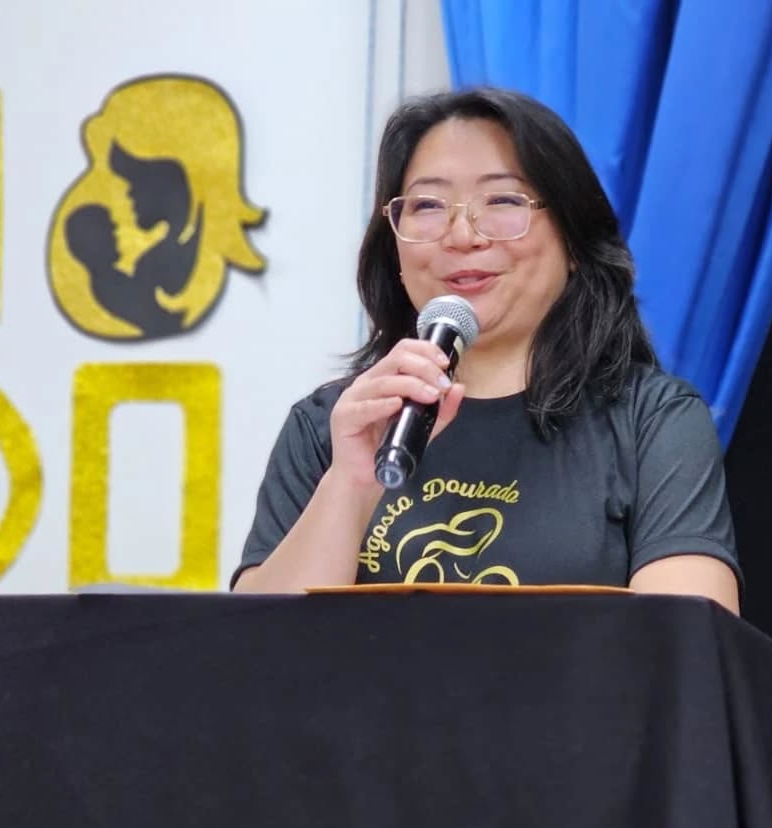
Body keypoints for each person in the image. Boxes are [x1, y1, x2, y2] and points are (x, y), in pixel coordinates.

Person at [233, 88, 741, 613]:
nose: (462, 235)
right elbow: (254, 649)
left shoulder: (651, 422)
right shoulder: (334, 426)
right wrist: (351, 484)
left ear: (573, 239)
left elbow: (687, 643)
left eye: (502, 201)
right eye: (427, 206)